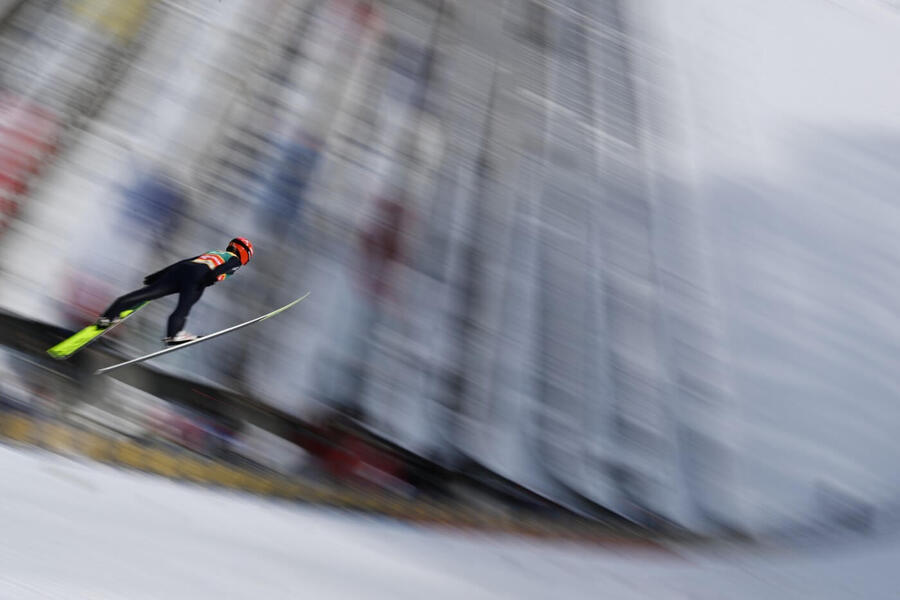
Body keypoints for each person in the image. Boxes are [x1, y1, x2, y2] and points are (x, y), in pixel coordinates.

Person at [96, 237, 254, 346]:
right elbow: (219, 271)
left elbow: (184, 262)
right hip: (198, 275)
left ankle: (108, 316)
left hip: (180, 270)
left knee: (147, 294)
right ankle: (174, 334)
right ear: (244, 253)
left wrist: (157, 276)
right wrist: (208, 280)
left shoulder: (215, 252)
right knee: (184, 307)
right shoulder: (236, 261)